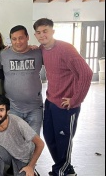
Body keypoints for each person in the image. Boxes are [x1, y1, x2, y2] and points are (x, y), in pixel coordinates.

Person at [33, 18, 92, 176]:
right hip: (51, 101)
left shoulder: (66, 48)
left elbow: (86, 73)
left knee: (63, 140)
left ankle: (63, 170)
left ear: (52, 31)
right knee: (49, 136)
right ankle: (65, 168)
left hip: (66, 105)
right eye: (38, 32)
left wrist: (75, 100)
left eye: (45, 31)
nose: (42, 35)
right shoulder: (42, 49)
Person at [0, 25, 43, 135]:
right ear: (10, 40)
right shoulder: (4, 54)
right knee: (15, 142)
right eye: (14, 39)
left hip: (35, 108)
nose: (18, 42)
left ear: (27, 37)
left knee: (33, 142)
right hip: (13, 108)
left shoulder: (38, 53)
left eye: (21, 38)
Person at [0, 94, 44, 176]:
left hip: (24, 158)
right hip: (7, 153)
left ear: (7, 111)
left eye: (1, 110)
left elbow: (40, 144)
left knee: (25, 172)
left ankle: (33, 171)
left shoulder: (18, 123)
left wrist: (30, 166)